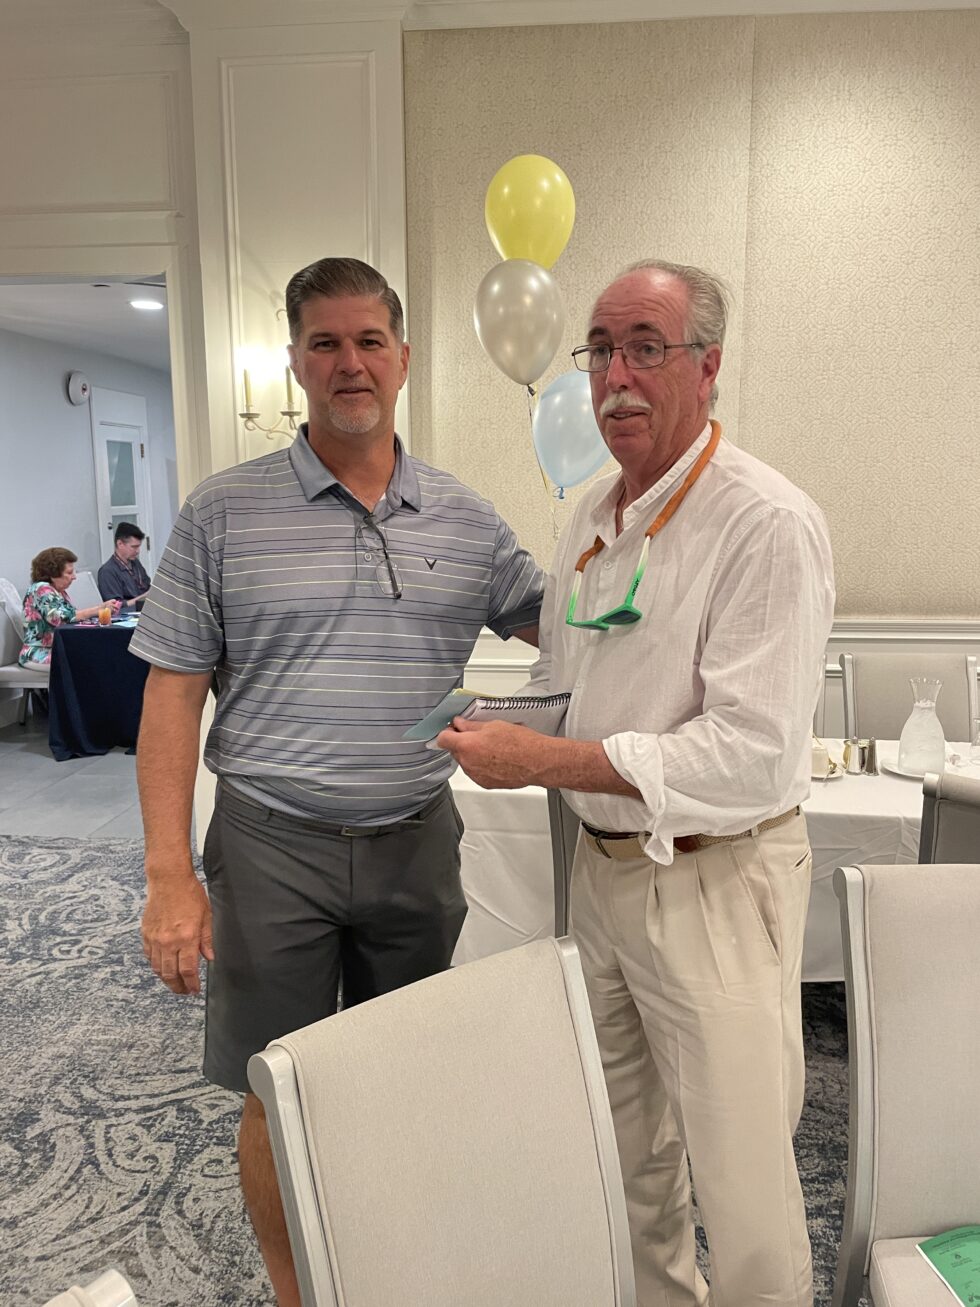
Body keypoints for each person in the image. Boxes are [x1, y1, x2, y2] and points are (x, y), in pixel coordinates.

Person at [129, 257, 544, 1306]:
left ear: (402, 359)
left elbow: (572, 635)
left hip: (415, 838)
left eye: (368, 341)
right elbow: (170, 700)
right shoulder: (222, 513)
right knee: (277, 1084)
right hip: (271, 844)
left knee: (406, 1076)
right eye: (325, 343)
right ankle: (295, 1290)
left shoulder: (466, 518)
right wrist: (169, 874)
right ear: (295, 362)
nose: (349, 362)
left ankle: (392, 1264)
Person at [439, 260, 835, 1307]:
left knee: (743, 1183)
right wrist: (498, 724)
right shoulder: (588, 519)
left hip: (716, 879)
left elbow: (750, 752)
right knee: (628, 1158)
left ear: (707, 367)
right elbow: (571, 681)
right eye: (601, 348)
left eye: (646, 347)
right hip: (601, 875)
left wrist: (545, 761)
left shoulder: (763, 522)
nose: (615, 374)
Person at [19, 548, 121, 665]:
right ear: (53, 574)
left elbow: (73, 617)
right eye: (69, 572)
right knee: (94, 659)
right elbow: (62, 618)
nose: (74, 577)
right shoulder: (41, 589)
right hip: (39, 652)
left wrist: (102, 609)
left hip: (57, 648)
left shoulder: (59, 591)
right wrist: (99, 609)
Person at [97, 522, 151, 611]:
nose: (138, 551)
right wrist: (145, 597)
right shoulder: (107, 571)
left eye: (139, 546)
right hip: (127, 614)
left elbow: (147, 586)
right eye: (134, 547)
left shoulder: (135, 563)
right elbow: (115, 607)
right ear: (120, 544)